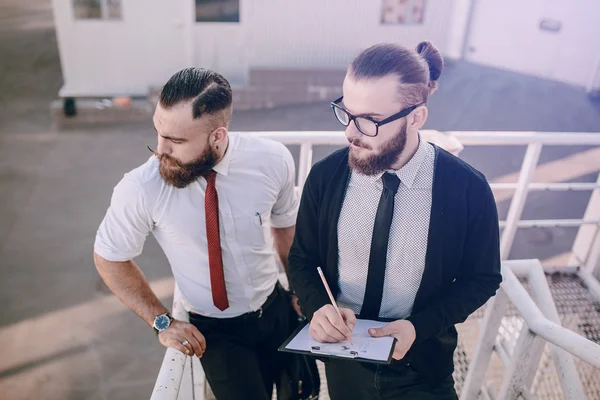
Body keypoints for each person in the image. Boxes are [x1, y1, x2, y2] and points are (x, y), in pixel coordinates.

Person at [288, 41, 502, 399]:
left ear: (416, 117)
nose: (350, 132)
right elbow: (302, 260)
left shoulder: (468, 188)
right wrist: (318, 307)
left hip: (423, 362)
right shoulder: (325, 178)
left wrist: (419, 327)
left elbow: (482, 278)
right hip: (344, 360)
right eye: (347, 112)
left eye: (370, 120)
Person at [93, 67, 309, 399]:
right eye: (158, 131)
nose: (160, 149)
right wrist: (161, 321)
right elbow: (109, 258)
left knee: (299, 392)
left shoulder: (272, 160)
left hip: (276, 308)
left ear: (217, 136)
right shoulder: (141, 188)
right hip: (216, 332)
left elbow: (285, 227)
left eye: (176, 141)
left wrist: (298, 289)